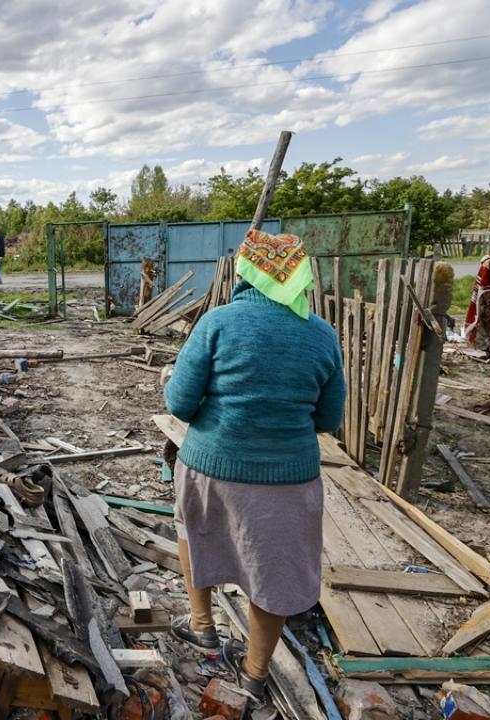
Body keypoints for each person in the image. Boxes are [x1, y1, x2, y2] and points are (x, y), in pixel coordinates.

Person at [163, 230, 345, 710]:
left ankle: (202, 627)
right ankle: (256, 674)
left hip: (211, 467)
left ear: (245, 272)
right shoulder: (321, 334)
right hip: (288, 479)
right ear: (299, 277)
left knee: (194, 529)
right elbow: (329, 418)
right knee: (276, 569)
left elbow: (179, 403)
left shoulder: (218, 323)